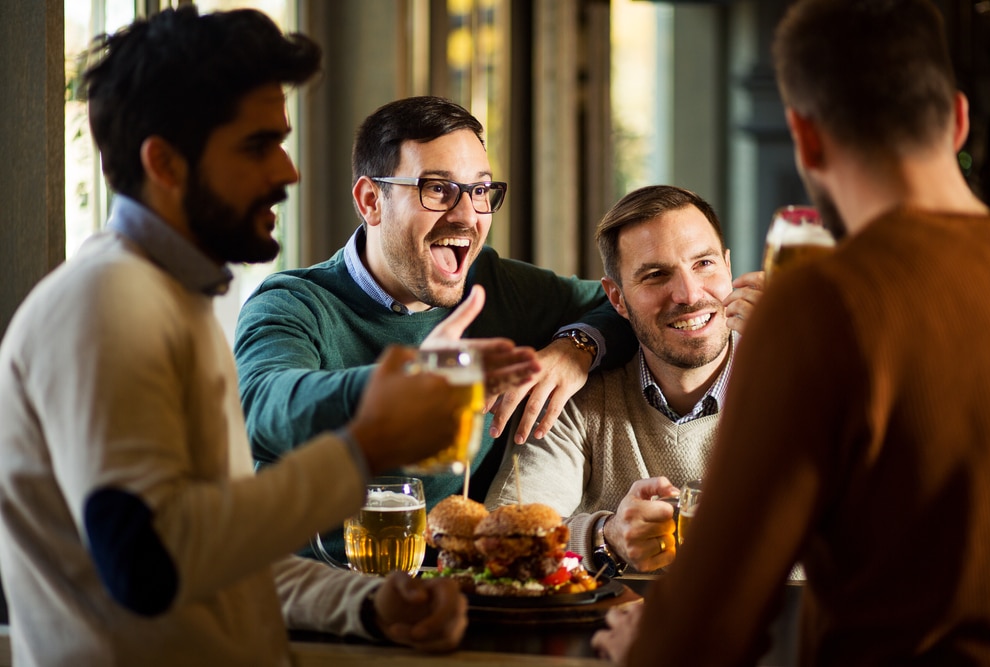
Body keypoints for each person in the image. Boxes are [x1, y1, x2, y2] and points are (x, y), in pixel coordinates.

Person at [0, 8, 489, 664]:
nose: (288, 172)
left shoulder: (173, 301)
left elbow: (220, 551)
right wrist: (364, 445)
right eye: (258, 146)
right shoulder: (110, 303)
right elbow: (153, 563)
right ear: (166, 164)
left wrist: (365, 603)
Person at [592, 0, 990, 665]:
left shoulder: (818, 306)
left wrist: (652, 639)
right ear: (957, 120)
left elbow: (704, 635)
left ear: (804, 139)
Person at [234, 95, 637, 561]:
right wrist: (407, 384)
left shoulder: (492, 282)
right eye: (437, 189)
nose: (467, 215)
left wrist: (576, 347)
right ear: (371, 201)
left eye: (480, 191)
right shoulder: (293, 304)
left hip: (464, 598)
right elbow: (260, 406)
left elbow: (624, 305)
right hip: (322, 602)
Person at [486, 185, 764, 574]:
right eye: (655, 275)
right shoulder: (575, 398)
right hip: (614, 633)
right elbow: (501, 542)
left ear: (728, 267)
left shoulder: (801, 380)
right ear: (616, 298)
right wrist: (605, 538)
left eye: (704, 264)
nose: (688, 294)